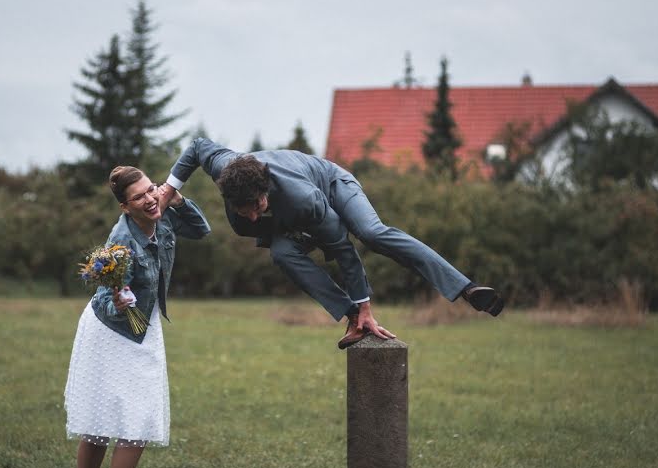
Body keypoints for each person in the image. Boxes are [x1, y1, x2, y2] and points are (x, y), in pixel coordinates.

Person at [158, 138, 503, 349]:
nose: (250, 217)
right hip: (292, 218)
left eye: (256, 207)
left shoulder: (302, 198)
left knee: (371, 233)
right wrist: (170, 190)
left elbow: (342, 249)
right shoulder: (225, 168)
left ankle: (466, 287)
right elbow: (198, 145)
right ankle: (349, 316)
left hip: (332, 185)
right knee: (281, 252)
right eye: (241, 210)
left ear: (266, 192)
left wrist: (366, 303)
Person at [62, 166, 210, 468]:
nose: (149, 198)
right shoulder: (121, 242)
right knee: (136, 417)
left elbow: (201, 230)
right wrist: (117, 298)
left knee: (114, 417)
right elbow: (102, 299)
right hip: (115, 331)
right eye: (139, 197)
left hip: (144, 324)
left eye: (152, 189)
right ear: (126, 207)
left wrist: (175, 198)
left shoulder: (161, 217)